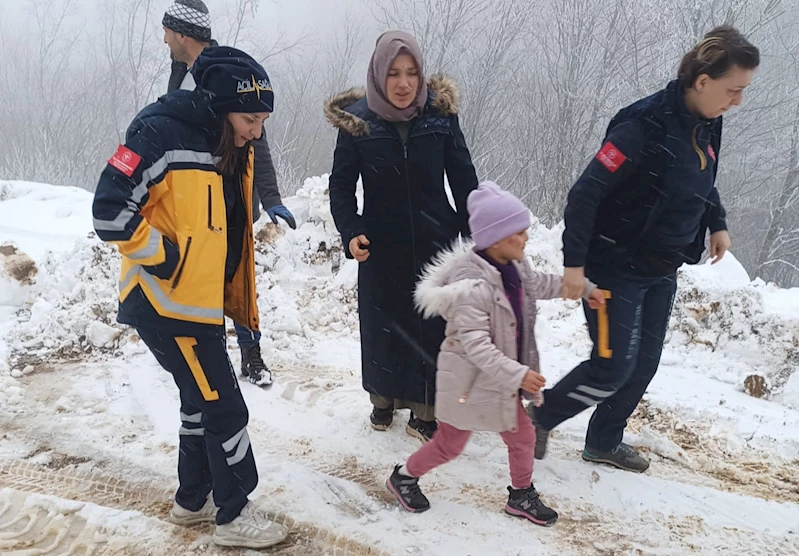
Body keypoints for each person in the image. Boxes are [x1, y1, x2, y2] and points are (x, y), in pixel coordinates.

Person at [531, 26, 760, 473]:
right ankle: (537, 418)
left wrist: (717, 222)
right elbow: (584, 195)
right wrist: (574, 264)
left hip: (662, 267)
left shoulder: (708, 122)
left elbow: (702, 179)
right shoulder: (642, 126)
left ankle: (603, 442)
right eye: (733, 90)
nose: (738, 101)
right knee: (612, 366)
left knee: (643, 366)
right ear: (702, 81)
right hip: (615, 265)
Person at [92, 46, 288, 549]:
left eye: (263, 120)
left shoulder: (225, 142)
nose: (257, 132)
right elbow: (110, 210)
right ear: (221, 106)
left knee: (200, 400)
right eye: (250, 119)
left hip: (199, 304)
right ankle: (235, 514)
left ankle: (193, 498)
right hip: (167, 303)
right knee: (226, 407)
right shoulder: (156, 132)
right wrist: (166, 258)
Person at [386, 181, 604, 525]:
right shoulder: (470, 285)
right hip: (468, 385)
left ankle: (521, 495)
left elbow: (542, 284)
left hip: (500, 382)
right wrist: (519, 374)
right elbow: (477, 346)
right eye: (520, 232)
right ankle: (404, 477)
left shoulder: (515, 267)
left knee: (524, 436)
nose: (527, 238)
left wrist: (582, 289)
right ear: (498, 238)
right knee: (449, 445)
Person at [325, 31, 479, 442]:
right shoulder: (358, 123)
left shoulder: (439, 116)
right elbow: (341, 187)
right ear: (379, 73)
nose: (404, 82)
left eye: (412, 72)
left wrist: (475, 235)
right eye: (394, 73)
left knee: (430, 327)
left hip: (436, 243)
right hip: (380, 245)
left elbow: (464, 180)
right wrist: (351, 230)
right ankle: (383, 399)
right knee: (382, 324)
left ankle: (426, 408)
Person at [163, 0, 296, 386]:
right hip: (194, 202)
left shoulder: (226, 73)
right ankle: (212, 353)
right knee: (204, 278)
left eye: (168, 31)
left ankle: (251, 354)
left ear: (183, 33)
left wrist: (270, 196)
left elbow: (258, 139)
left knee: (239, 276)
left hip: (232, 196)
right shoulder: (182, 75)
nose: (164, 39)